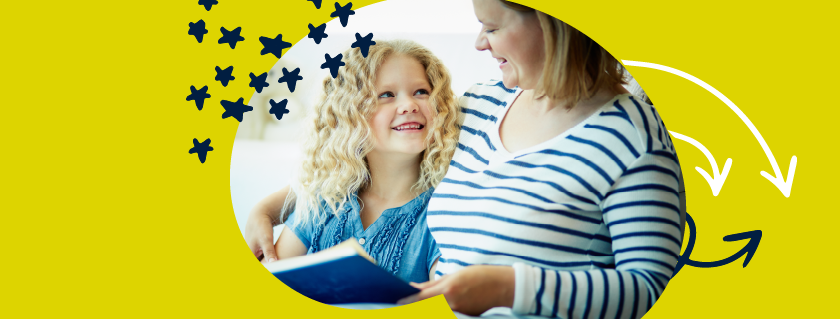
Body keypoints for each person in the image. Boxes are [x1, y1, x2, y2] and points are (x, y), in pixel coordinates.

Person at [394, 0, 684, 318]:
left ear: (552, 25)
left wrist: (512, 288)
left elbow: (648, 288)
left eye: (492, 27)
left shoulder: (632, 135)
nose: (479, 42)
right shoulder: (477, 104)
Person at [262, 39, 460, 284]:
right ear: (349, 116)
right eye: (386, 95)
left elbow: (445, 301)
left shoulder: (445, 212)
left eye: (421, 92)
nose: (409, 105)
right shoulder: (324, 200)